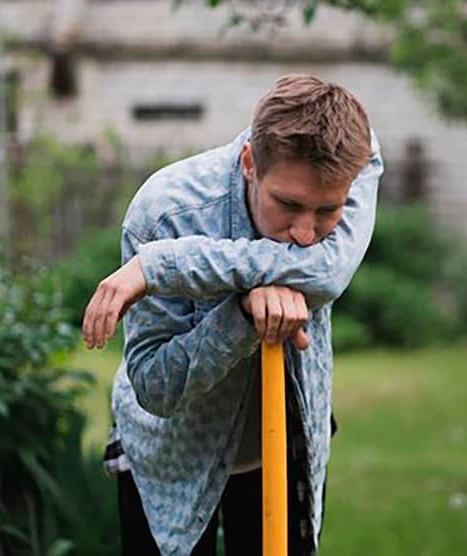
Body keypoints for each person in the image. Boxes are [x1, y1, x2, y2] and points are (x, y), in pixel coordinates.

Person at [80, 74, 382, 556]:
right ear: (248, 162)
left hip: (283, 445)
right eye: (288, 204)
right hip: (166, 453)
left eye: (327, 212)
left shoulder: (359, 164)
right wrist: (241, 314)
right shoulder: (166, 212)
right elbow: (156, 388)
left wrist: (162, 265)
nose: (305, 234)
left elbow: (326, 274)